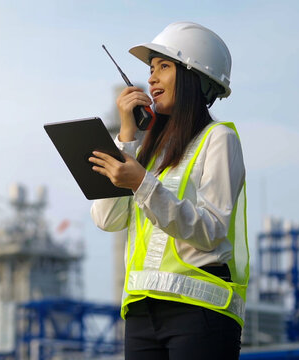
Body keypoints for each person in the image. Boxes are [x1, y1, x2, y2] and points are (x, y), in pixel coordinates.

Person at [89, 22, 248, 360]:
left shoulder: (218, 139)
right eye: (150, 69)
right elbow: (106, 219)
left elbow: (212, 230)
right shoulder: (150, 153)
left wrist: (142, 184)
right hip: (142, 315)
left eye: (164, 66)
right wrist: (127, 135)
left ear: (194, 77)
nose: (151, 79)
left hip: (200, 314)